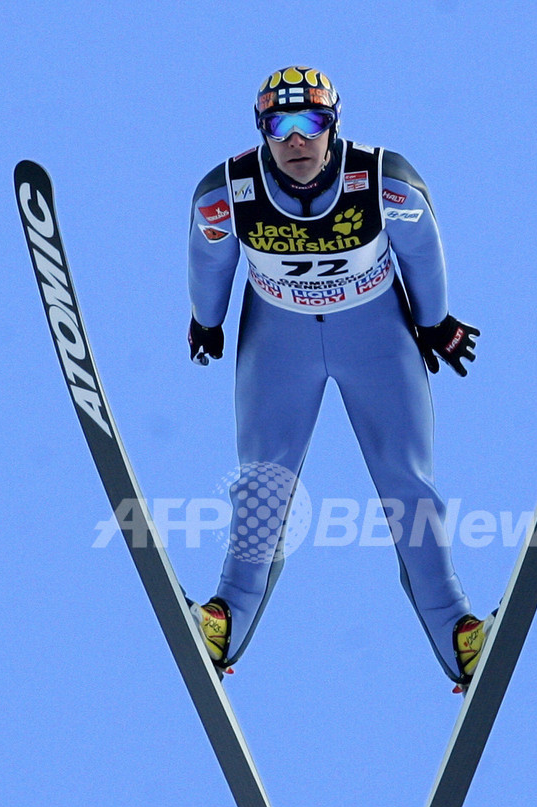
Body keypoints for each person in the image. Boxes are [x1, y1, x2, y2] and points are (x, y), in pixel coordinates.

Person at [186, 65, 493, 693]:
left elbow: (423, 251)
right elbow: (208, 256)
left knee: (408, 486)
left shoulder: (385, 181)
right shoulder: (227, 192)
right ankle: (223, 620)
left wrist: (435, 323)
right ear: (263, 130)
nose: (297, 140)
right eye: (281, 125)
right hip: (280, 342)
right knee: (263, 488)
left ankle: (459, 635)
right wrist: (206, 321)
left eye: (312, 122)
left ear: (334, 125)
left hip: (375, 337)